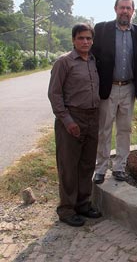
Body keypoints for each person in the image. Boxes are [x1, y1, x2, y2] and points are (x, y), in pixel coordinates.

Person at [91, 0, 137, 184]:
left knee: (125, 129)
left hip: (129, 88)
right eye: (122, 8)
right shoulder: (102, 29)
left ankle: (119, 167)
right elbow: (93, 59)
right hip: (107, 88)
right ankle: (100, 168)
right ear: (115, 9)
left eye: (128, 8)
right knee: (104, 129)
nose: (125, 11)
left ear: (133, 11)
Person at [48, 23, 102, 227]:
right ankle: (66, 209)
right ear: (73, 40)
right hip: (71, 118)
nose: (85, 42)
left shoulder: (93, 61)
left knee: (87, 163)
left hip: (92, 117)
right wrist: (67, 120)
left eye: (88, 38)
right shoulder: (64, 62)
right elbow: (54, 95)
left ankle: (82, 203)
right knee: (68, 166)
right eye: (81, 38)